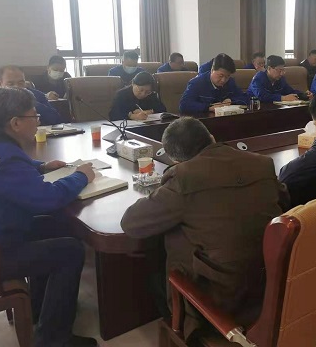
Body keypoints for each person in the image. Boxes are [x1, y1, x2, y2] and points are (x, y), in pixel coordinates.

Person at [120, 117, 286, 340]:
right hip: (267, 282)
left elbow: (131, 223)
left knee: (155, 266)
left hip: (220, 298)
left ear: (175, 160)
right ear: (212, 138)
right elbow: (285, 201)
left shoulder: (183, 178)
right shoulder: (261, 163)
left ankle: (182, 329)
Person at [0, 87, 97, 347]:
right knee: (70, 250)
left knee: (55, 225)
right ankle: (54, 339)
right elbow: (48, 198)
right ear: (15, 123)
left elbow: (4, 168)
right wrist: (81, 176)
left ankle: (38, 306)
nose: (38, 121)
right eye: (35, 116)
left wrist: (41, 167)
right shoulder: (2, 159)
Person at [179, 53, 248, 113]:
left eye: (227, 76)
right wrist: (208, 107)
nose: (223, 80)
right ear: (212, 70)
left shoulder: (230, 82)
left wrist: (231, 100)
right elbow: (184, 105)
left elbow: (245, 98)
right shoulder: (197, 83)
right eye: (220, 76)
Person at [247, 55, 312, 103]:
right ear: (269, 68)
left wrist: (303, 94)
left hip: (274, 109)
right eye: (279, 70)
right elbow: (262, 96)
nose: (282, 73)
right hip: (255, 109)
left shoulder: (280, 79)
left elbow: (290, 91)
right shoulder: (258, 78)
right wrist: (283, 98)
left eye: (283, 70)